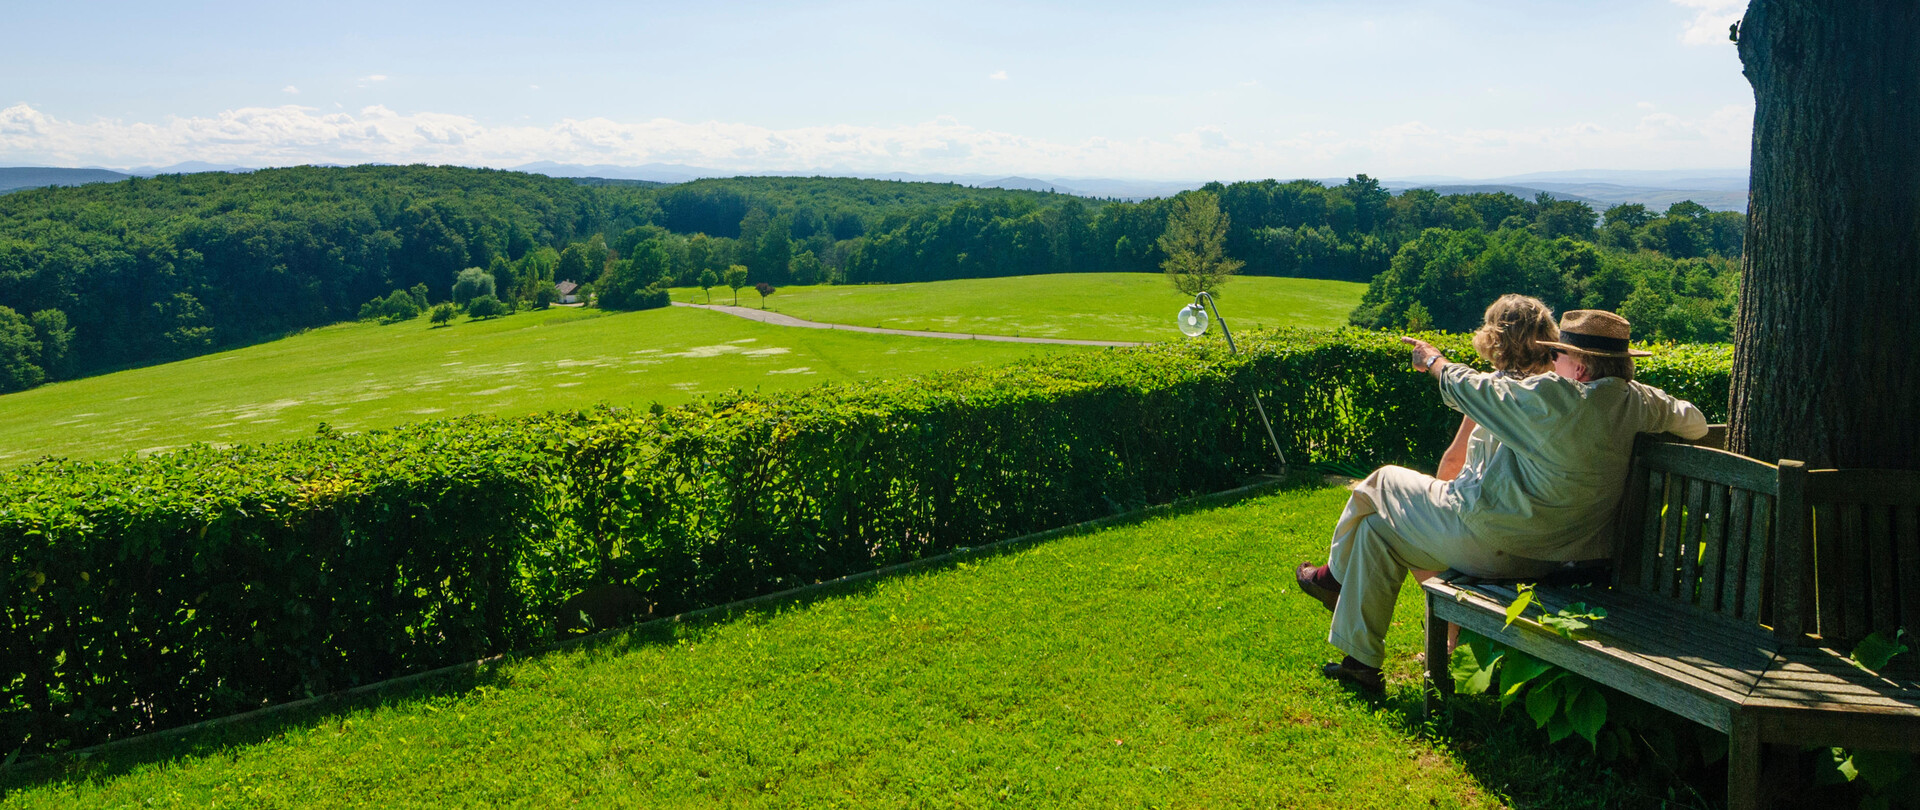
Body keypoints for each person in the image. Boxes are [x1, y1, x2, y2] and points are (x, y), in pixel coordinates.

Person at [1295, 309, 1708, 692]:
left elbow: (1471, 388)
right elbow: (1697, 421)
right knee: (1375, 529)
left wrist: (1432, 360)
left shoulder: (1555, 397)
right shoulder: (1640, 402)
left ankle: (1333, 578)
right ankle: (1359, 664)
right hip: (1561, 555)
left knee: (1382, 482)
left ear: (1579, 367)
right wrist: (1640, 396)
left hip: (1496, 543)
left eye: (1559, 354)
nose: (1553, 363)